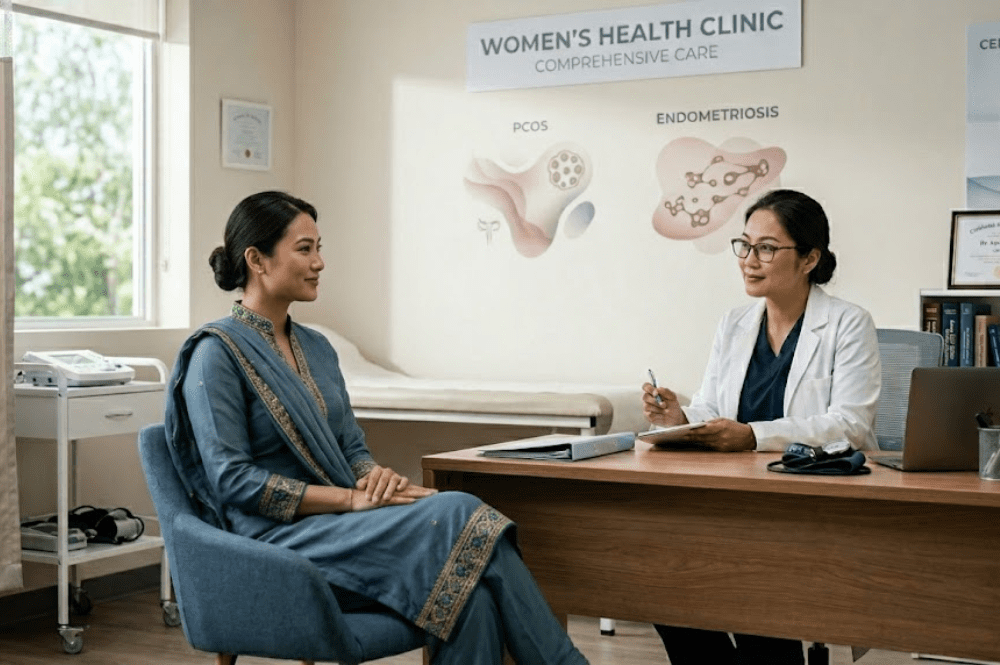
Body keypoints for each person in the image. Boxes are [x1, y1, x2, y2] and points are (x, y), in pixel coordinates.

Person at [164, 190, 589, 665]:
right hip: (272, 544)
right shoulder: (216, 354)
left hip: (343, 527)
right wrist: (348, 498)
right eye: (304, 249)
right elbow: (231, 479)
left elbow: (350, 447)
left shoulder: (319, 349)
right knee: (456, 512)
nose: (320, 262)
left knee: (473, 588)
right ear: (257, 260)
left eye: (319, 247)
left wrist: (371, 477)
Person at [642, 189, 881, 664]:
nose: (750, 260)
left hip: (807, 504)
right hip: (733, 499)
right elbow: (711, 406)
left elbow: (850, 426)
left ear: (810, 258)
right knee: (662, 582)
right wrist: (680, 420)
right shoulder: (733, 324)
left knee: (755, 591)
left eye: (767, 249)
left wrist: (752, 436)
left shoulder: (848, 324)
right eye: (745, 245)